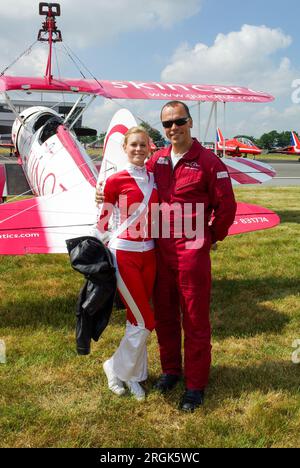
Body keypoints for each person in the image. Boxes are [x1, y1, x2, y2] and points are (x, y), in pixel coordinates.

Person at [97, 102, 237, 411]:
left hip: (191, 257)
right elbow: (130, 181)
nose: (174, 128)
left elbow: (226, 208)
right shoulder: (156, 161)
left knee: (195, 321)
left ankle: (195, 385)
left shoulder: (209, 162)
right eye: (167, 124)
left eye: (179, 121)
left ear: (190, 122)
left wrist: (211, 236)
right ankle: (171, 371)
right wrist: (103, 193)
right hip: (158, 253)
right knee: (164, 318)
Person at [98, 126, 158, 401]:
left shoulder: (154, 179)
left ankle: (133, 375)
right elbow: (102, 221)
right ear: (125, 148)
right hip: (124, 254)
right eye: (133, 145)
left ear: (149, 148)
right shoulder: (115, 181)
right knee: (147, 320)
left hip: (150, 255)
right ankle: (114, 366)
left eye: (142, 145)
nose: (138, 149)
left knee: (136, 320)